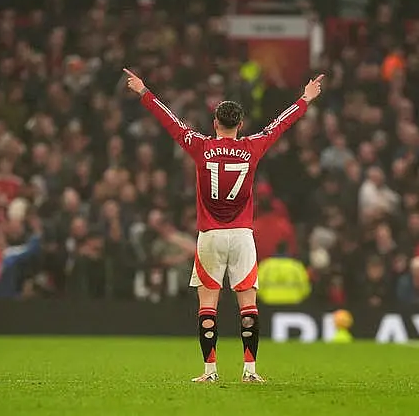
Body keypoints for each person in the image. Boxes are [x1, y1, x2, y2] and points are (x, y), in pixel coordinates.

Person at [125, 68, 323, 383]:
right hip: (243, 236)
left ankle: (210, 371)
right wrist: (304, 99)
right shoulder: (252, 147)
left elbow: (171, 122)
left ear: (216, 123)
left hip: (210, 236)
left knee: (208, 305)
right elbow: (279, 125)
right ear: (240, 125)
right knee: (248, 305)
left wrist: (144, 91)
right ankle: (250, 371)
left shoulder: (200, 147)